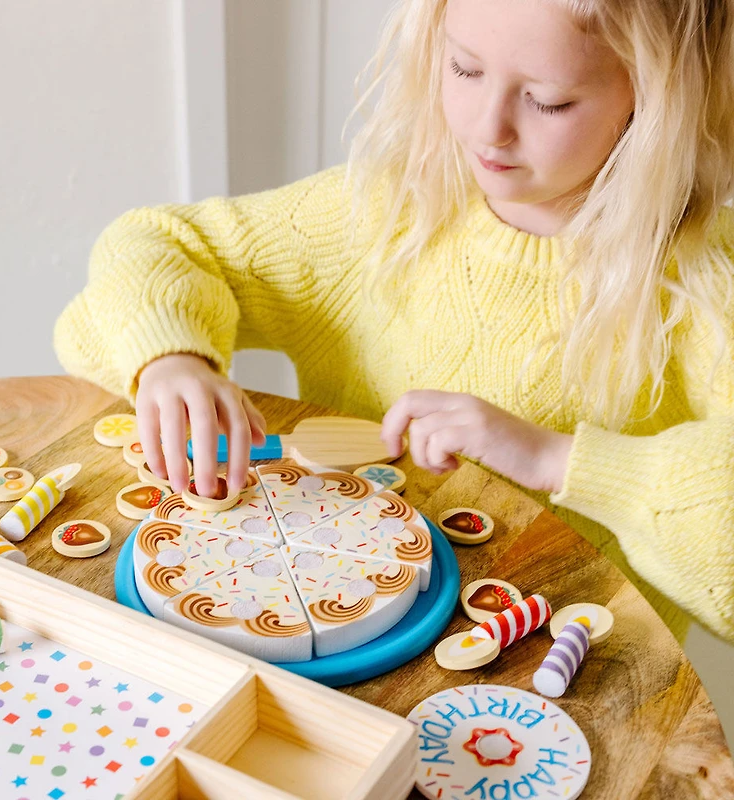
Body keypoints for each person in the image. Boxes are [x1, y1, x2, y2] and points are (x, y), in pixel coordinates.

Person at [54, 0, 734, 644]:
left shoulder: (702, 281)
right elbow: (151, 247)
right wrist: (173, 359)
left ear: (657, 96)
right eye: (464, 67)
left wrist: (555, 458)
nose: (485, 126)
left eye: (546, 99)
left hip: (564, 689)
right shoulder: (389, 212)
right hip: (331, 631)